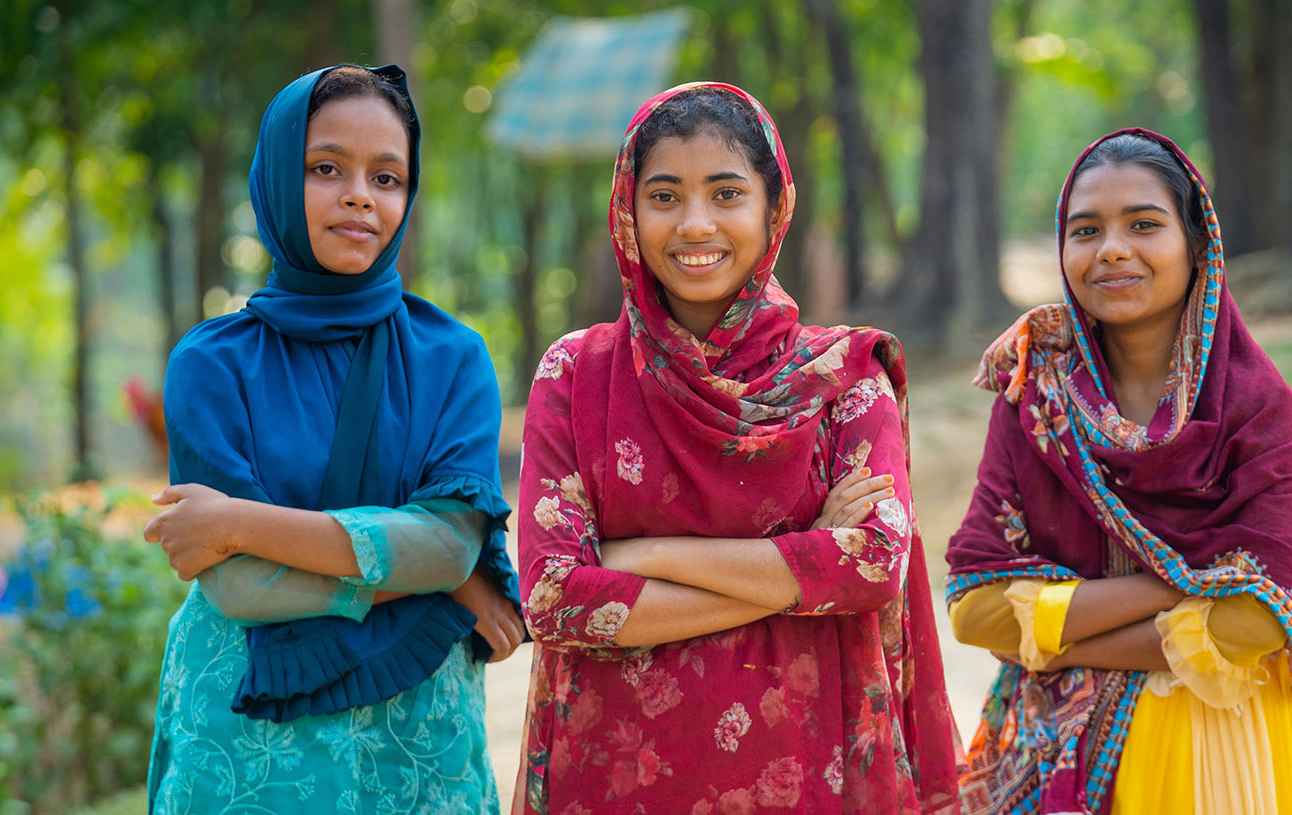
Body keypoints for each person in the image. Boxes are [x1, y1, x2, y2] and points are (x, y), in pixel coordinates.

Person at [512, 82, 962, 814]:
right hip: (615, 778)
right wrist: (801, 564)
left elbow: (875, 562)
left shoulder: (842, 380)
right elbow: (555, 597)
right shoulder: (577, 374)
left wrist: (646, 555)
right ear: (628, 211)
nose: (695, 225)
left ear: (774, 206)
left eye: (726, 194)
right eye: (664, 197)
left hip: (812, 767)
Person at [142, 64, 523, 813]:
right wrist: (443, 584)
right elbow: (240, 586)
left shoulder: (451, 357)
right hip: (247, 745)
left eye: (387, 177)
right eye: (326, 168)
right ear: (280, 176)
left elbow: (446, 547)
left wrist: (235, 523)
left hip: (416, 747)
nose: (359, 194)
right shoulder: (211, 363)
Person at [945, 128, 1292, 814]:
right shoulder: (1035, 398)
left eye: (1144, 224)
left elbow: (1264, 620)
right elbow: (974, 607)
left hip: (1211, 735)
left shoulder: (1252, 403)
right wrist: (1180, 585)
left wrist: (1057, 643)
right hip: (1059, 743)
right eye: (1085, 229)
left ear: (1197, 243)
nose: (1112, 248)